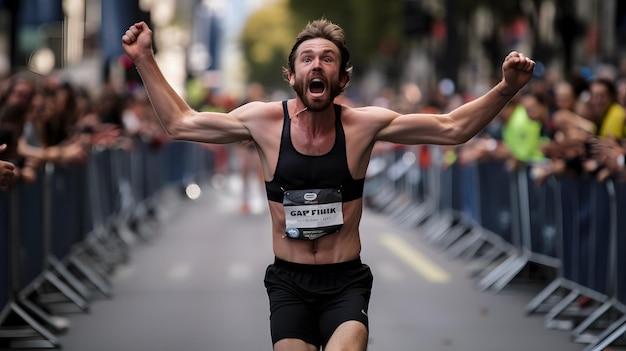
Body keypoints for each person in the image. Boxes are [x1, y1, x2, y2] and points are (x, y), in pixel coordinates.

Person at [122, 18, 535, 351]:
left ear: (343, 79)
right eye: (307, 58)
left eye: (327, 59)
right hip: (288, 282)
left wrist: (506, 89)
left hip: (345, 283)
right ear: (292, 74)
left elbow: (452, 128)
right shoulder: (263, 122)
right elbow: (180, 122)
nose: (316, 65)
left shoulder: (363, 125)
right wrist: (144, 59)